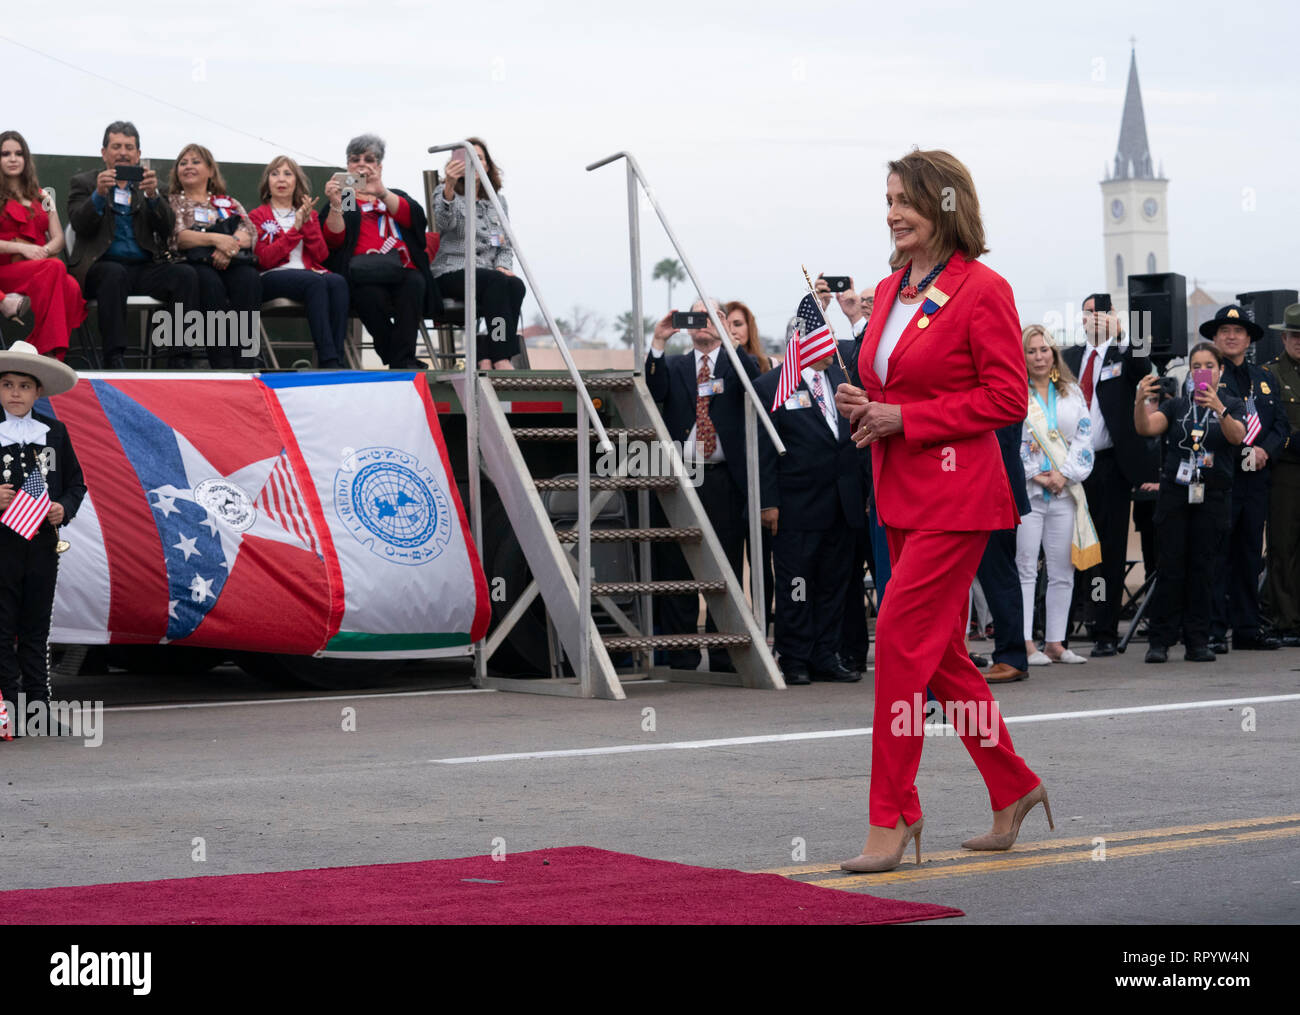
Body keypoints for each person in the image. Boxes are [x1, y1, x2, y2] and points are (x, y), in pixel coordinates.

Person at [833, 149, 1049, 873]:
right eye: (888, 199)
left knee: (896, 640)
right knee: (943, 657)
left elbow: (1006, 399)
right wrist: (869, 406)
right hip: (899, 490)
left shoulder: (984, 289)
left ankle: (893, 813)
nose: (891, 212)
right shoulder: (892, 289)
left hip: (957, 497)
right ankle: (1014, 786)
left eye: (905, 200)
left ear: (944, 204)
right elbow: (892, 381)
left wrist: (908, 419)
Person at [646, 298, 760, 672]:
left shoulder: (735, 363)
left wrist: (728, 339)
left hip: (724, 480)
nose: (702, 324)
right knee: (678, 564)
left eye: (710, 317)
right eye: (694, 317)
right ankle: (681, 656)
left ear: (724, 323)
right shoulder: (676, 365)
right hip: (683, 477)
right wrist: (659, 342)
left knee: (724, 567)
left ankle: (726, 654)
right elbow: (652, 390)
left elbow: (752, 378)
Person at [754, 338, 862, 685]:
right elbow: (763, 448)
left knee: (834, 585)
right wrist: (768, 501)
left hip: (841, 504)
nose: (832, 349)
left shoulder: (841, 382)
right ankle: (795, 656)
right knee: (796, 585)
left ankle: (825, 654)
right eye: (823, 342)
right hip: (796, 507)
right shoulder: (773, 385)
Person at [1135, 341, 1247, 662]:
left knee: (1203, 568)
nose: (1202, 371)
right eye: (1197, 366)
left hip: (1212, 495)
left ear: (1220, 371)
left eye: (1209, 366)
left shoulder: (1231, 403)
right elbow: (1145, 427)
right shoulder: (1177, 406)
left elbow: (1237, 437)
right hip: (1175, 493)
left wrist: (1218, 408)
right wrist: (1140, 400)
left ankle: (1198, 640)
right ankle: (1160, 640)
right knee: (1170, 566)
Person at [0, 341, 84, 739]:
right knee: (1, 629)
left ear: (38, 392)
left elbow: (75, 485)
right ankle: (8, 707)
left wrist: (63, 509)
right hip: (1, 545)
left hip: (40, 544)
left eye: (24, 386)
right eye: (7, 384)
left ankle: (38, 708)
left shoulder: (55, 432)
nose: (15, 393)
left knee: (35, 629)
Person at [67, 121, 200, 369]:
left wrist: (153, 198)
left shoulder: (152, 186)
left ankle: (180, 356)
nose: (123, 153)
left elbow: (167, 228)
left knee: (185, 275)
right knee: (114, 274)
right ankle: (114, 358)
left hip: (143, 267)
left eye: (129, 147)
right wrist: (98, 193)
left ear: (138, 155)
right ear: (104, 152)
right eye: (116, 146)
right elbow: (79, 224)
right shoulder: (84, 182)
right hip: (101, 267)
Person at [1062, 295, 1148, 656]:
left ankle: (1104, 631)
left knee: (1107, 551)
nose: (1093, 319)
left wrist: (1127, 329)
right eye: (1088, 314)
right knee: (1067, 549)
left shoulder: (1125, 354)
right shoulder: (1067, 358)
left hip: (1110, 465)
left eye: (1102, 314)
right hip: (1069, 467)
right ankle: (1057, 633)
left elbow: (1144, 366)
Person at [1204, 305, 1290, 652]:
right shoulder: (1208, 378)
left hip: (1257, 479)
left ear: (1249, 339)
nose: (1231, 336)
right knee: (1218, 553)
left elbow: (1282, 427)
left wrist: (1265, 451)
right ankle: (1213, 629)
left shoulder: (1266, 377)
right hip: (1223, 476)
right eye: (1224, 330)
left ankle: (1247, 627)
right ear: (1214, 338)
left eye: (1238, 331)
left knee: (1250, 553)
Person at [1016, 325, 1095, 666]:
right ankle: (1024, 642)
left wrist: (1064, 475)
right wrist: (1037, 474)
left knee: (1063, 570)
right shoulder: (1014, 393)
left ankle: (1055, 643)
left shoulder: (1072, 393)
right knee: (1025, 568)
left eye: (1044, 350)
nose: (1038, 356)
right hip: (1030, 494)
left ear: (1054, 353)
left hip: (1065, 492)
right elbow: (1008, 442)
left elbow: (1084, 439)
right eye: (1032, 350)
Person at [322, 134, 435, 370]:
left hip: (402, 268)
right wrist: (336, 203)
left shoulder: (393, 194)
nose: (361, 164)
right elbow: (334, 240)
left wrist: (380, 191)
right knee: (368, 296)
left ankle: (400, 359)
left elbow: (415, 219)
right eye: (355, 160)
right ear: (347, 166)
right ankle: (401, 359)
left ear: (379, 166)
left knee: (414, 284)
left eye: (369, 159)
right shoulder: (347, 198)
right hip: (362, 272)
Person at [432, 138, 525, 370]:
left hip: (487, 275)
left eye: (479, 158)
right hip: (452, 271)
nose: (474, 162)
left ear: (487, 165)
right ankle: (501, 357)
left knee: (514, 285)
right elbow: (443, 222)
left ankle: (486, 351)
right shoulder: (444, 192)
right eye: (467, 158)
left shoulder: (497, 201)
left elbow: (503, 243)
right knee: (494, 281)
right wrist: (449, 187)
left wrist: (504, 265)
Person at [249, 156, 349, 368]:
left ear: (297, 182)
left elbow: (322, 256)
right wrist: (294, 230)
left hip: (308, 274)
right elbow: (265, 259)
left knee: (338, 282)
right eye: (274, 174)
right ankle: (329, 360)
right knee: (314, 281)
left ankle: (338, 357)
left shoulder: (309, 214)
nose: (281, 179)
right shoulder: (257, 215)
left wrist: (307, 224)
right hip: (271, 276)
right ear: (267, 182)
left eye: (287, 174)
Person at [167, 144, 261, 369]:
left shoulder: (228, 202)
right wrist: (216, 240)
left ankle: (246, 361)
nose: (188, 167)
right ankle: (222, 363)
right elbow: (178, 237)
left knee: (249, 279)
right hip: (193, 262)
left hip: (230, 259)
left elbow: (250, 232)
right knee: (208, 283)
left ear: (210, 171)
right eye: (183, 163)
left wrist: (229, 247)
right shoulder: (172, 202)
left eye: (195, 162)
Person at [0, 131, 86, 361]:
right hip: (6, 271)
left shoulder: (43, 195)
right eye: (5, 153)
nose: (12, 158)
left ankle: (35, 352)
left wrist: (44, 251)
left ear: (26, 159)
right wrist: (22, 249)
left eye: (19, 153)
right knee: (56, 269)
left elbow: (57, 237)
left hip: (40, 268)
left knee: (70, 287)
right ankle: (48, 355)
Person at [724, 299, 774, 633]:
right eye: (726, 324)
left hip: (759, 477)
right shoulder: (717, 365)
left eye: (738, 324)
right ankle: (737, 630)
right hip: (727, 482)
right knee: (728, 561)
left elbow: (751, 382)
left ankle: (765, 626)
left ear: (749, 328)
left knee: (762, 563)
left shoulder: (760, 364)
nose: (732, 330)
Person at [1263, 304, 1300, 646]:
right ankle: (1286, 620)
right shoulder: (1270, 374)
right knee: (1283, 545)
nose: (1299, 341)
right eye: (1294, 336)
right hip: (1286, 469)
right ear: (1284, 337)